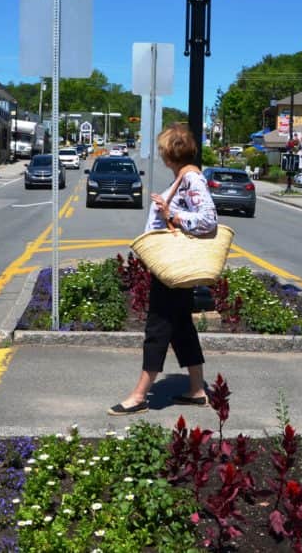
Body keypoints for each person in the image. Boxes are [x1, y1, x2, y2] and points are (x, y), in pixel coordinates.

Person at [110, 123, 218, 416]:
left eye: (162, 150)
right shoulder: (183, 178)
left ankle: (139, 395)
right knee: (181, 327)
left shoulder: (192, 178)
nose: (160, 155)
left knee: (157, 329)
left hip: (173, 268)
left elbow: (209, 220)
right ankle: (196, 390)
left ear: (170, 153)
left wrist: (171, 213)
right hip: (170, 268)